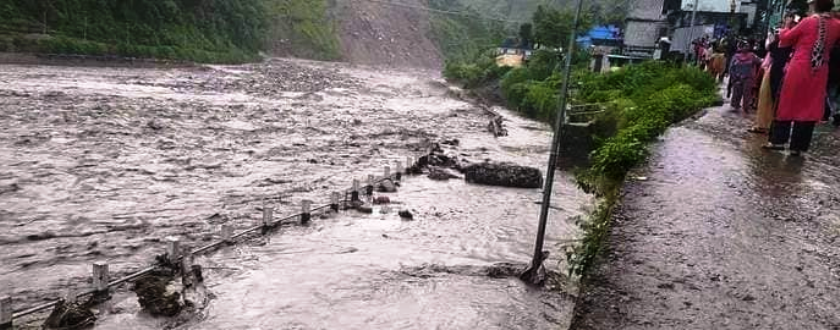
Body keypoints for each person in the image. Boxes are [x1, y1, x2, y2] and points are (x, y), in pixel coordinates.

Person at [766, 0, 840, 155]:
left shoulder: (807, 22)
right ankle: (798, 147)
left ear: (814, 6)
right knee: (810, 107)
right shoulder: (836, 24)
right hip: (820, 70)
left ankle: (778, 141)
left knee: (787, 101)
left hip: (799, 67)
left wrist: (786, 26)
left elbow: (786, 38)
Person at [750, 37, 777, 133]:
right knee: (768, 101)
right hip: (770, 75)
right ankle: (765, 125)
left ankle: (765, 125)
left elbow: (763, 66)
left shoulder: (771, 53)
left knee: (766, 100)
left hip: (769, 76)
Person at [729, 42, 762, 112]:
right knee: (736, 93)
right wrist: (733, 76)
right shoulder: (736, 56)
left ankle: (745, 108)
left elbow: (760, 61)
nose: (745, 48)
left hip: (748, 78)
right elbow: (731, 68)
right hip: (737, 77)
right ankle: (735, 107)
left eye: (747, 46)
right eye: (744, 46)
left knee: (747, 94)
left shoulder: (752, 56)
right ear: (741, 48)